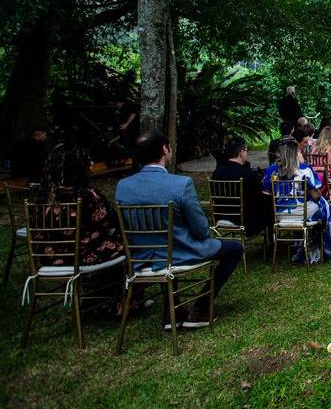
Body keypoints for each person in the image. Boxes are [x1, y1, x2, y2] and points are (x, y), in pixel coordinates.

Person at [116, 131, 243, 328]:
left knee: (164, 246)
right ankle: (201, 307)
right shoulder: (180, 184)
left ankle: (173, 309)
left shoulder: (123, 187)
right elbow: (201, 230)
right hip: (179, 252)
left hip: (142, 257)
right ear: (165, 150)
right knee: (234, 249)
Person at [38, 144, 126, 314]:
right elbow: (111, 221)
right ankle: (117, 302)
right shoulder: (87, 195)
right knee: (125, 244)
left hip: (51, 256)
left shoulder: (43, 196)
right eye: (88, 161)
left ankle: (96, 298)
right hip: (82, 255)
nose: (91, 163)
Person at [262, 142, 331, 262]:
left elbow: (266, 191)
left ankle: (304, 243)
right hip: (302, 213)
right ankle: (327, 243)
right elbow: (316, 195)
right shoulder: (304, 170)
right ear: (294, 154)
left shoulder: (271, 171)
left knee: (323, 205)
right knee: (324, 205)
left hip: (280, 214)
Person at [210, 137, 273, 237]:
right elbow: (258, 197)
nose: (247, 153)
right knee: (269, 203)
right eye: (246, 150)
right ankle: (272, 240)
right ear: (241, 152)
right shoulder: (247, 174)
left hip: (221, 215)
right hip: (243, 218)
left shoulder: (217, 173)